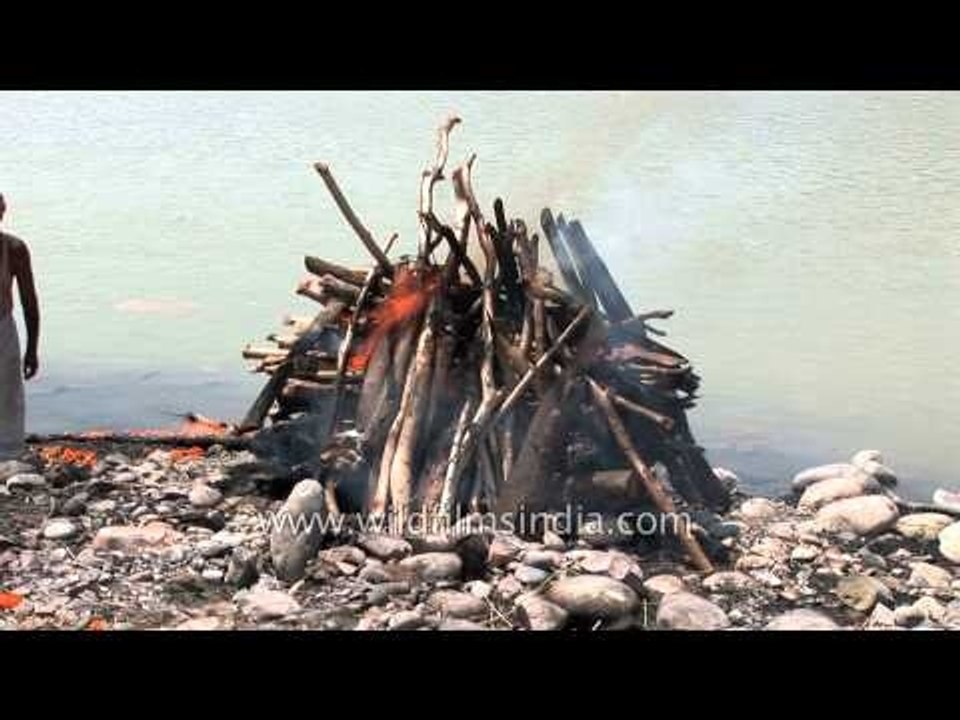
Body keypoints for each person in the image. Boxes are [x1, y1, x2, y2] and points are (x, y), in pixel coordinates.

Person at [0, 193, 41, 460]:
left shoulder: (14, 249)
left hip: (2, 328)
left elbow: (29, 301)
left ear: (2, 212)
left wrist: (32, 349)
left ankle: (9, 457)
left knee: (8, 397)